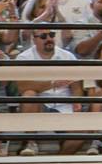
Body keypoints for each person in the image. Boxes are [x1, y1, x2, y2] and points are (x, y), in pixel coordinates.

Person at [15, 25, 84, 156]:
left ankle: (58, 161)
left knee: (83, 132)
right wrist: (51, 84)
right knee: (29, 94)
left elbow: (76, 86)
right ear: (33, 39)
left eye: (51, 34)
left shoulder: (68, 56)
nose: (49, 39)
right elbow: (22, 86)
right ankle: (30, 142)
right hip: (40, 104)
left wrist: (77, 100)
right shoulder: (24, 58)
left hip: (65, 104)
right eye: (43, 36)